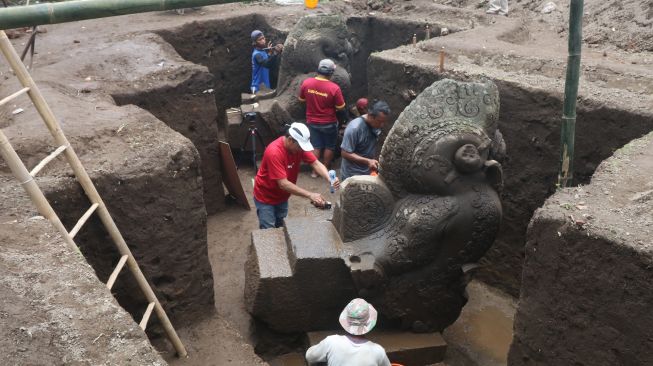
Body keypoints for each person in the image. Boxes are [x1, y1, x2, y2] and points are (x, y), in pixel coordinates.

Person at [253, 122, 339, 229]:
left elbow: (315, 163)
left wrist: (329, 178)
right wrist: (310, 195)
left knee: (281, 225)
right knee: (269, 230)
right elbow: (283, 184)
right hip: (266, 197)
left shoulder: (298, 147)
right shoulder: (274, 152)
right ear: (290, 139)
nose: (301, 150)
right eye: (299, 147)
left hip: (283, 196)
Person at [305, 298, 391, 366]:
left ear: (346, 320)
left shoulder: (331, 341)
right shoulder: (378, 351)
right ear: (369, 324)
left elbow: (310, 357)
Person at [298, 58, 347, 177]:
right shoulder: (334, 88)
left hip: (312, 121)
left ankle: (315, 171)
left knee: (316, 145)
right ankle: (324, 169)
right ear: (331, 73)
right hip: (329, 122)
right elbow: (341, 107)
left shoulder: (306, 83)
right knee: (329, 146)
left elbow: (301, 100)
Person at [340, 100, 390, 181]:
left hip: (367, 172)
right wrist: (367, 161)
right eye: (380, 122)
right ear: (370, 116)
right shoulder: (354, 128)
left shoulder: (375, 126)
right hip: (352, 174)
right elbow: (345, 153)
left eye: (384, 122)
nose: (382, 125)